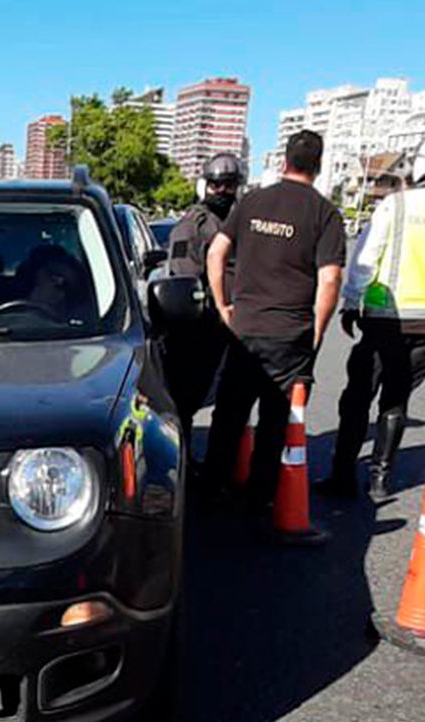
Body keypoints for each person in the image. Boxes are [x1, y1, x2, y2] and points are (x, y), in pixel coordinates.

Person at [318, 132, 425, 499]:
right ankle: (380, 479)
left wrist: (351, 303)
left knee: (357, 398)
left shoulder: (397, 206)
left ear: (420, 165)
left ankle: (342, 475)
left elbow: (366, 259)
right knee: (396, 401)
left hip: (384, 320)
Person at [203, 130, 346, 508]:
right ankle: (259, 496)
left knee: (229, 413)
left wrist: (223, 305)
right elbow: (330, 278)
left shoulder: (252, 202)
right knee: (274, 419)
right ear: (318, 166)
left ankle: (212, 486)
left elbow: (216, 253)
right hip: (290, 334)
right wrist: (317, 328)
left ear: (284, 160)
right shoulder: (324, 213)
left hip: (245, 327)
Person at [163, 153, 244, 426]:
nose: (222, 191)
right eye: (216, 185)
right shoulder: (193, 225)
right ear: (205, 185)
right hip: (198, 327)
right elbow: (183, 278)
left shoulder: (239, 221)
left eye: (229, 185)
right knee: (183, 402)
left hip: (231, 326)